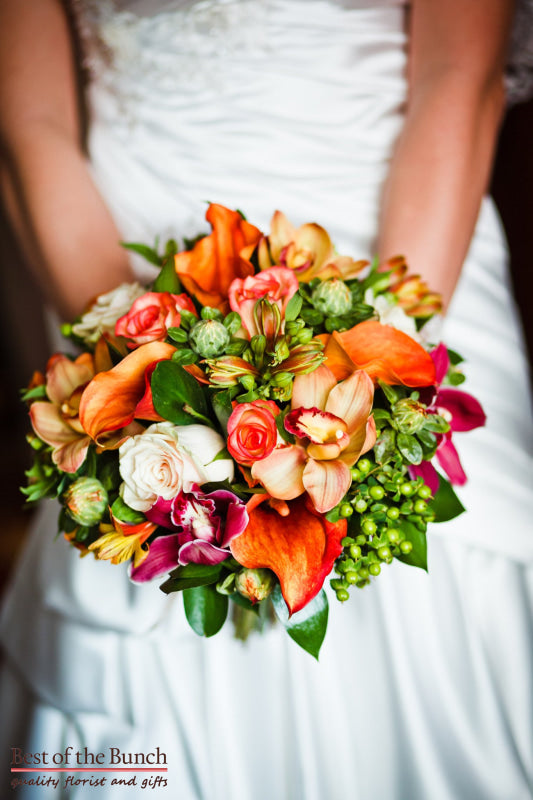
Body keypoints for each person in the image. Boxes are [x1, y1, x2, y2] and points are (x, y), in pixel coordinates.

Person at [1, 1, 532, 798]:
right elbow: (30, 123)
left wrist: (373, 372)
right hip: (116, 263)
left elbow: (458, 78)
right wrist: (135, 374)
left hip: (405, 255)